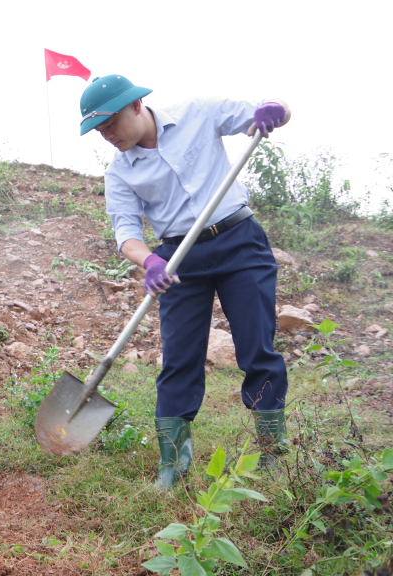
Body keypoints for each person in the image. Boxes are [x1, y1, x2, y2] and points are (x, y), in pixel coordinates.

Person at [79, 74, 291, 490]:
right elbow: (126, 235)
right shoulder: (119, 173)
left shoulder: (198, 113)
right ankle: (172, 465)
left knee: (256, 347)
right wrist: (150, 261)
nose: (107, 136)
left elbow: (273, 107)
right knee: (178, 360)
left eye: (110, 124)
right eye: (99, 131)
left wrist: (275, 111)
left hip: (239, 242)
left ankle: (274, 452)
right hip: (178, 259)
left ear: (136, 106)